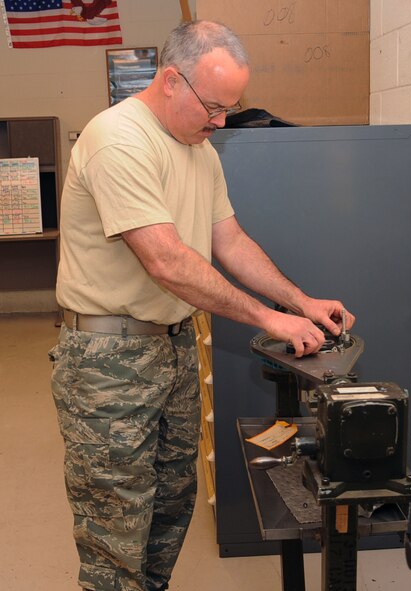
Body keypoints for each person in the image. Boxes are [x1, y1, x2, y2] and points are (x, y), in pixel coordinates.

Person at [49, 19, 355, 591]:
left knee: (170, 500)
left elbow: (229, 241)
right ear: (171, 81)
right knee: (116, 521)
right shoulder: (118, 138)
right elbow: (166, 259)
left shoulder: (197, 147)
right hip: (107, 358)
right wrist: (268, 318)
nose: (220, 123)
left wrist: (300, 301)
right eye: (213, 107)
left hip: (171, 345)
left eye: (229, 109)